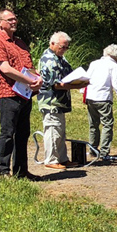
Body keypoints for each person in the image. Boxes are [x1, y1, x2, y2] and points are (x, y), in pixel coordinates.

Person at [0, 9, 42, 180]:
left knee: (23, 133)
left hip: (24, 95)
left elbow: (28, 67)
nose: (14, 22)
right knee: (8, 133)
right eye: (10, 19)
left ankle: (21, 171)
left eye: (15, 19)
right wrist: (28, 80)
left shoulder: (20, 43)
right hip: (8, 93)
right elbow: (5, 68)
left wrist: (37, 78)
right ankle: (3, 172)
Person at [37, 32, 87, 170]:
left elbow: (69, 75)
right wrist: (78, 85)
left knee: (60, 131)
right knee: (53, 130)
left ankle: (62, 159)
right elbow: (57, 84)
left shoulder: (61, 59)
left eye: (66, 47)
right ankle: (51, 159)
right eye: (62, 47)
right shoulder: (49, 60)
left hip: (60, 102)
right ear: (52, 44)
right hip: (50, 101)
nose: (64, 50)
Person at [85, 44, 117, 162]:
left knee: (93, 124)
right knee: (107, 124)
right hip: (103, 98)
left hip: (91, 97)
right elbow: (116, 84)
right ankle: (104, 152)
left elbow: (86, 78)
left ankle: (92, 148)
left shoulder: (94, 63)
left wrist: (83, 92)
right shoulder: (113, 66)